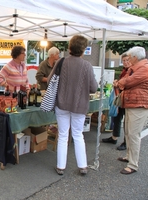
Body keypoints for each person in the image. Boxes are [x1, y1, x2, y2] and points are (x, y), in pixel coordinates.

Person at [52, 35, 98, 176]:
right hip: (79, 105)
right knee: (78, 135)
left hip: (62, 103)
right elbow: (94, 88)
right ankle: (83, 166)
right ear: (83, 49)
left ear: (70, 47)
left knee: (63, 135)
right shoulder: (87, 66)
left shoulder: (61, 61)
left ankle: (61, 167)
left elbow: (50, 82)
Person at [113, 46, 148, 175]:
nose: (128, 60)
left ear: (135, 57)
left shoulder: (145, 69)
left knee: (134, 134)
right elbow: (124, 81)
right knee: (128, 132)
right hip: (132, 104)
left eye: (129, 57)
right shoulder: (134, 69)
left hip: (139, 106)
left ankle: (133, 164)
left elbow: (126, 82)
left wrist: (120, 83)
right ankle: (129, 156)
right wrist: (121, 82)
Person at [102, 53, 131, 150]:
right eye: (123, 61)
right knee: (117, 118)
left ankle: (126, 142)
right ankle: (114, 137)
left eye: (127, 60)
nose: (125, 62)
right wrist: (117, 84)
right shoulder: (124, 71)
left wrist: (118, 84)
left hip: (129, 100)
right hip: (121, 98)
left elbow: (127, 84)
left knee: (127, 122)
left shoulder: (133, 71)